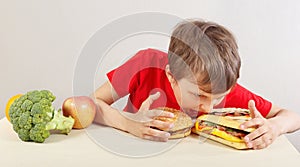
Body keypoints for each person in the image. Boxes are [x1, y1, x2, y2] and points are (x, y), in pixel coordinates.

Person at [91, 19, 300, 150]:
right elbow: (92, 103)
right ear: (171, 76)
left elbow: (292, 116)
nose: (208, 107)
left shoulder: (218, 87)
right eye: (199, 95)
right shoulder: (145, 65)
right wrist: (129, 124)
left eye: (217, 98)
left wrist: (275, 126)